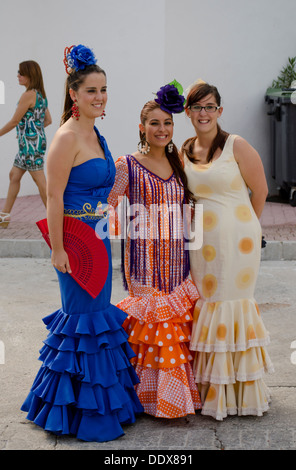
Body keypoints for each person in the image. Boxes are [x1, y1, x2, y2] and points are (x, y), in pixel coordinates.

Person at [21, 45, 143, 442]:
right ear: (74, 94)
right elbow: (53, 198)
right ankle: (75, 411)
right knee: (83, 322)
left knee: (98, 320)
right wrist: (57, 249)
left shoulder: (97, 134)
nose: (100, 97)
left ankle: (101, 403)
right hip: (74, 243)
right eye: (91, 90)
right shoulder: (65, 137)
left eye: (104, 89)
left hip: (100, 240)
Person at [181, 80, 274, 420]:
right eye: (197, 107)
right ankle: (211, 389)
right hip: (201, 244)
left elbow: (260, 190)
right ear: (188, 112)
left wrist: (246, 227)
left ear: (219, 111)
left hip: (238, 242)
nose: (203, 113)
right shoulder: (185, 149)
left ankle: (242, 391)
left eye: (209, 107)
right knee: (209, 304)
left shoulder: (237, 146)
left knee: (232, 304)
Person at [108, 81, 202, 418]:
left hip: (179, 263)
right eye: (154, 123)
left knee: (175, 329)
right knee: (153, 331)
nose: (161, 130)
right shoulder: (127, 165)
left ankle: (176, 397)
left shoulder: (180, 163)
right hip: (144, 264)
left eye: (167, 123)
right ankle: (148, 400)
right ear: (141, 127)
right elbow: (107, 205)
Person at [0, 60, 52, 227]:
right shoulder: (40, 95)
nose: (18, 75)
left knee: (40, 181)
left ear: (30, 76)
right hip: (30, 144)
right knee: (14, 175)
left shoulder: (28, 95)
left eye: (21, 73)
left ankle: (54, 218)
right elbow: (48, 120)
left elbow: (15, 120)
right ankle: (5, 215)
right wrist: (29, 131)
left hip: (30, 146)